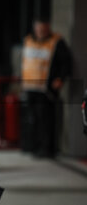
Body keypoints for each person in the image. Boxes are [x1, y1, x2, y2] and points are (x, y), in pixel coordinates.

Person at [21, 16, 71, 158]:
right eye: (38, 28)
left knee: (46, 120)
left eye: (43, 28)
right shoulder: (29, 40)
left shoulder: (56, 42)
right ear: (34, 27)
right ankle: (33, 146)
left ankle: (47, 149)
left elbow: (66, 62)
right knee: (32, 119)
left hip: (46, 89)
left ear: (48, 27)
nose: (41, 31)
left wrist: (60, 78)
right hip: (30, 87)